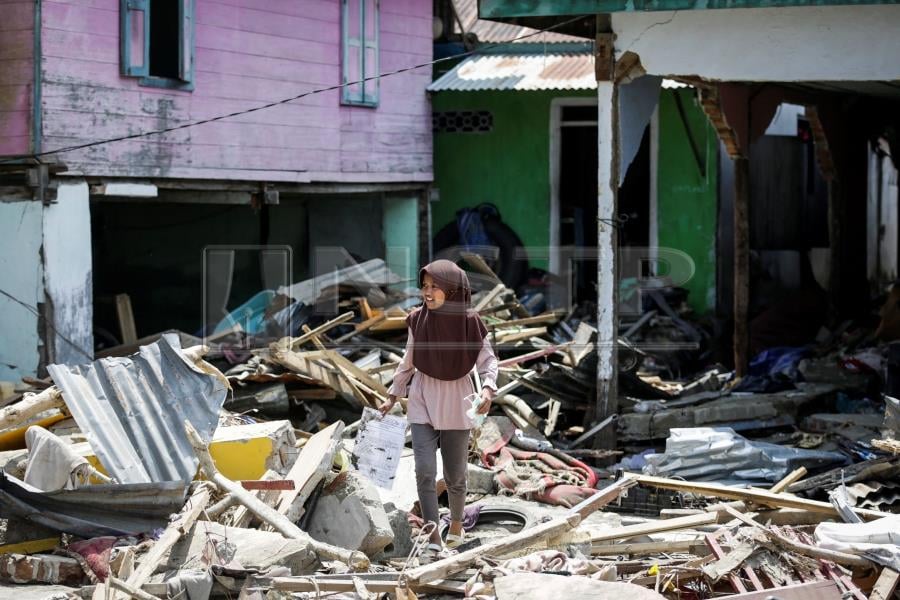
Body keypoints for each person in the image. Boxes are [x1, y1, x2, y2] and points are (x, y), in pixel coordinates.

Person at [380, 260, 498, 556]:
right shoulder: (417, 319)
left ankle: (456, 523)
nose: (427, 292)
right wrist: (393, 395)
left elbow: (487, 360)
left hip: (457, 397)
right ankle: (434, 535)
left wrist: (487, 388)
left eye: (435, 287)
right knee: (424, 469)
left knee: (455, 474)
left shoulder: (470, 321)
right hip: (422, 395)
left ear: (453, 290)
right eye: (425, 286)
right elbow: (408, 360)